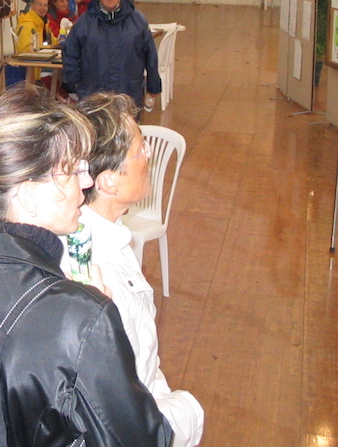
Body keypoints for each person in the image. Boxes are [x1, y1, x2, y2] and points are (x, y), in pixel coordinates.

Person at [0, 86, 172, 447]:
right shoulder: (79, 317)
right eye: (73, 171)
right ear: (28, 195)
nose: (87, 181)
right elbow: (143, 440)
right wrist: (97, 325)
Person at [73, 93, 204, 447]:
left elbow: (142, 364)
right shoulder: (101, 272)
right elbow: (122, 417)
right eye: (141, 149)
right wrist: (190, 412)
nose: (149, 156)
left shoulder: (108, 236)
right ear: (108, 182)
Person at [62, 0, 161, 113]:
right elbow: (70, 53)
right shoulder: (84, 22)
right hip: (94, 94)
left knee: (128, 127)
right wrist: (73, 84)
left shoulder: (137, 20)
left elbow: (150, 55)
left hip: (128, 92)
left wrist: (153, 86)